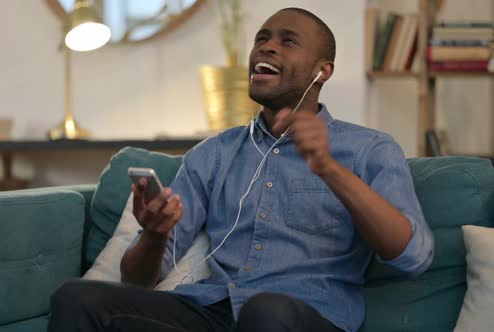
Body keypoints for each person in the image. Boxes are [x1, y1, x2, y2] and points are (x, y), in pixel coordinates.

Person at [48, 7, 434, 332]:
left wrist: (328, 167)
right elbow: (138, 280)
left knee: (267, 311)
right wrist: (153, 234)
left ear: (322, 71)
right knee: (76, 297)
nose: (266, 46)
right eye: (262, 38)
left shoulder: (369, 149)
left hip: (306, 316)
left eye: (288, 41)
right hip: (214, 310)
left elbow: (413, 256)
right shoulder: (213, 153)